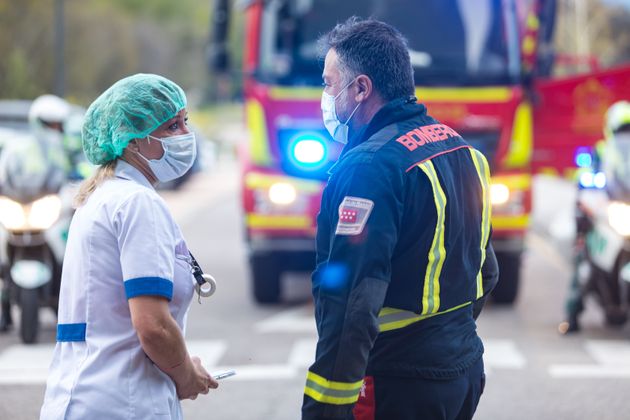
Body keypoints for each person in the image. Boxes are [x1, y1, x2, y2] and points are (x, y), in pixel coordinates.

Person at [302, 18, 499, 420]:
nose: (324, 96)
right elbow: (486, 271)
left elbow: (352, 300)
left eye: (328, 84)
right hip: (461, 372)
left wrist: (326, 408)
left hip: (397, 384)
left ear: (360, 88)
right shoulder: (462, 150)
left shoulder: (369, 168)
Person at [40, 73, 218, 420]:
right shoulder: (137, 203)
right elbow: (152, 324)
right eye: (171, 127)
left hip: (86, 397)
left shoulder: (104, 197)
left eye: (185, 122)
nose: (185, 135)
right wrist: (186, 374)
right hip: (123, 401)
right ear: (132, 141)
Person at [561, 100, 630, 333]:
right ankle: (572, 312)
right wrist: (589, 183)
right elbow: (583, 177)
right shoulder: (601, 151)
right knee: (582, 250)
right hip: (607, 206)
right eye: (622, 129)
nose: (625, 134)